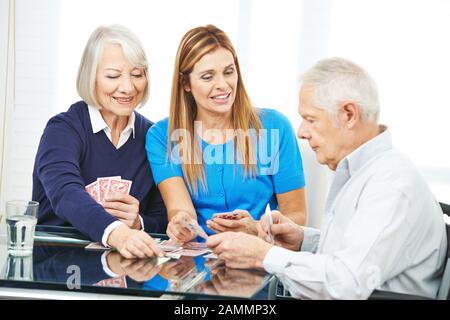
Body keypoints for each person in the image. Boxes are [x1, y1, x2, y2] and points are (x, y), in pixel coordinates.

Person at [206, 57, 448, 299]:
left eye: (310, 119)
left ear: (349, 114)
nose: (301, 132)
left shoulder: (390, 185)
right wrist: (303, 240)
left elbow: (345, 284)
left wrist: (263, 255)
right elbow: (359, 251)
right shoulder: (367, 171)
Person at [146, 24, 307, 243]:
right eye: (207, 76)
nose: (223, 85)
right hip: (198, 258)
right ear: (186, 83)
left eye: (229, 72)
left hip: (258, 254)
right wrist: (181, 223)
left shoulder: (274, 127)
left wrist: (258, 228)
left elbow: (297, 216)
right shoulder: (162, 136)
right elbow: (179, 208)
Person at [32, 24, 166, 259]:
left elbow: (163, 217)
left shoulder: (152, 137)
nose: (127, 87)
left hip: (124, 274)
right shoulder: (63, 129)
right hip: (55, 270)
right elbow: (66, 193)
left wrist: (138, 223)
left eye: (137, 75)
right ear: (90, 77)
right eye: (113, 76)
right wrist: (119, 233)